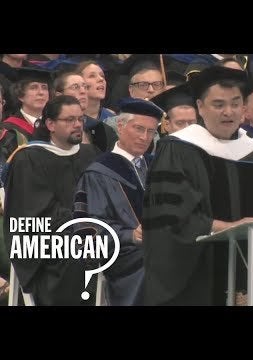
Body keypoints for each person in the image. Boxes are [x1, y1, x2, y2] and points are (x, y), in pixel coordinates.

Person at [143, 66, 253, 305]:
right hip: (199, 272)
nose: (228, 112)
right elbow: (171, 217)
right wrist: (228, 227)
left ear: (244, 108)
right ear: (200, 107)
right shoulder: (178, 149)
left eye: (235, 103)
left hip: (250, 265)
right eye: (218, 105)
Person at [2, 95, 98, 305]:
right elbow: (39, 213)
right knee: (78, 257)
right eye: (70, 120)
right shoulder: (29, 159)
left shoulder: (89, 154)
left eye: (80, 119)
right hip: (44, 242)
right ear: (50, 124)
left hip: (88, 233)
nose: (77, 125)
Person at [74, 98, 163, 305]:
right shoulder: (100, 171)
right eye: (139, 128)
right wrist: (130, 235)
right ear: (121, 127)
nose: (144, 137)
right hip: (121, 254)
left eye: (151, 132)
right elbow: (90, 228)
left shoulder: (157, 166)